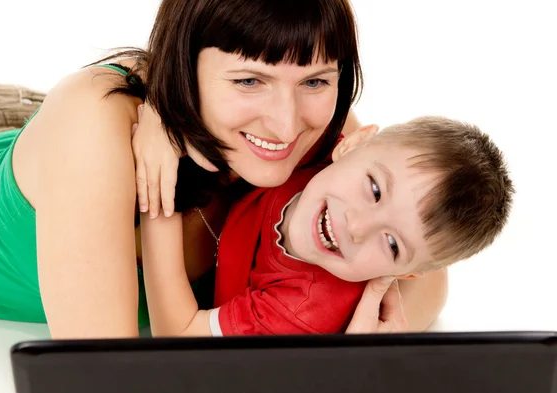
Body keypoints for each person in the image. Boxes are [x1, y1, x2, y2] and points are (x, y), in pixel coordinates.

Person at [0, 0, 447, 339]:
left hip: (48, 124)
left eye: (316, 80)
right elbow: (100, 377)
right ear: (183, 67)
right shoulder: (92, 128)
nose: (285, 124)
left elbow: (430, 277)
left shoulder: (321, 133)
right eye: (250, 80)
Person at [137, 116, 513, 336]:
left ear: (407, 275)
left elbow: (178, 331)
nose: (357, 226)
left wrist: (160, 183)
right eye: (375, 189)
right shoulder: (315, 141)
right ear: (352, 144)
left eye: (393, 244)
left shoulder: (303, 310)